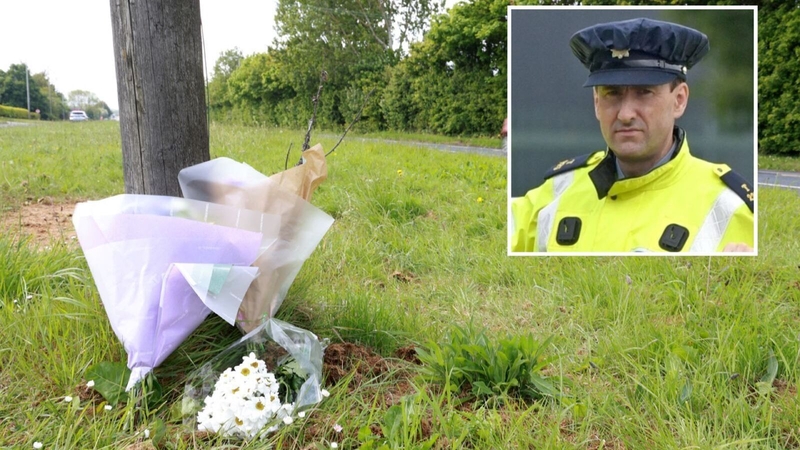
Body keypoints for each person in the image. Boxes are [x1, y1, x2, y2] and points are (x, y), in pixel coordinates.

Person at [511, 17, 754, 253]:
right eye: (612, 93)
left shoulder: (729, 207)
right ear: (596, 102)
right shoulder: (559, 188)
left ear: (679, 100)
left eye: (644, 92)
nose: (625, 114)